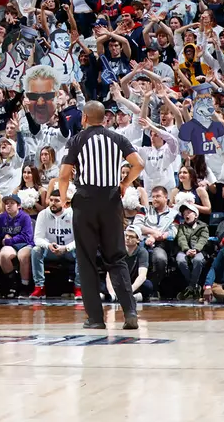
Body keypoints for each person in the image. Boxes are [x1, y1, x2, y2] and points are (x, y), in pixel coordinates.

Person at [55, 99, 143, 330]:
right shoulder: (118, 138)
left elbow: (64, 175)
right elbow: (139, 164)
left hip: (85, 202)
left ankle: (95, 318)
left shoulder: (76, 140)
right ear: (105, 118)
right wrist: (125, 183)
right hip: (112, 201)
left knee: (86, 260)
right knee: (116, 258)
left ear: (84, 118)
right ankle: (130, 312)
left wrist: (63, 198)